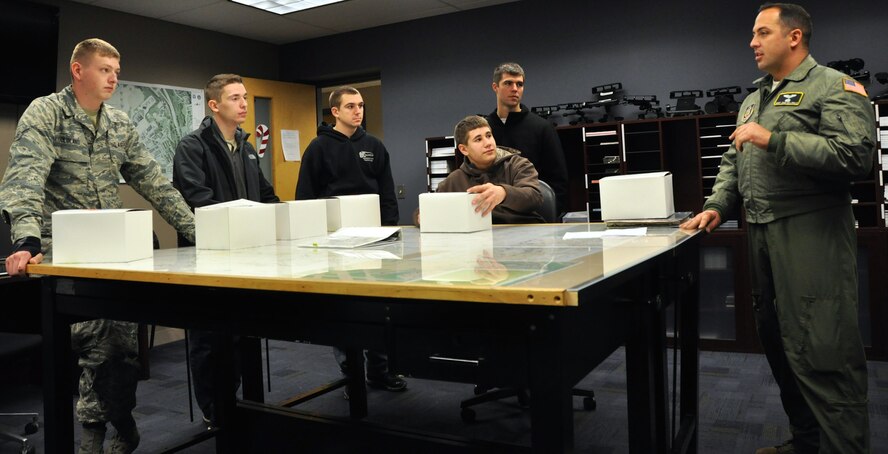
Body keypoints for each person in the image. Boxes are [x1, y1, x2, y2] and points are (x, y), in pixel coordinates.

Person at [681, 4, 873, 453]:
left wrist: (776, 139)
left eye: (762, 32)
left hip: (812, 233)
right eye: (753, 33)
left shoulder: (833, 86)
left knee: (824, 349)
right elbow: (734, 161)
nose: (752, 41)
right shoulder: (754, 99)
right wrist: (716, 206)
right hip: (761, 233)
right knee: (781, 344)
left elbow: (855, 157)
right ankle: (807, 443)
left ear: (794, 37)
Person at [0, 38, 196, 453]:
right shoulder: (47, 113)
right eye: (105, 69)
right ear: (78, 70)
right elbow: (25, 178)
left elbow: (154, 182)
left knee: (122, 347)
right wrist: (26, 238)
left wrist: (197, 229)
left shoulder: (119, 124)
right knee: (98, 338)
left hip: (112, 249)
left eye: (116, 70)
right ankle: (94, 433)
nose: (114, 77)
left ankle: (121, 420)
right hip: (62, 250)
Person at [172, 73, 280, 427]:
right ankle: (213, 406)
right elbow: (197, 199)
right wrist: (244, 220)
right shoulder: (193, 146)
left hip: (246, 254)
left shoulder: (247, 148)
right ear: (214, 105)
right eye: (235, 98)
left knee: (239, 333)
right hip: (209, 256)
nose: (244, 104)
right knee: (209, 337)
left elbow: (264, 194)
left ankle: (237, 399)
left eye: (245, 97)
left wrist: (284, 216)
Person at [295, 86, 406, 393]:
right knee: (344, 310)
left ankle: (380, 370)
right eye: (351, 106)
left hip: (374, 240)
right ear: (335, 112)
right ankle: (351, 372)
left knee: (378, 307)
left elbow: (387, 191)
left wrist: (390, 229)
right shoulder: (318, 147)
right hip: (336, 243)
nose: (358, 111)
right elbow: (305, 197)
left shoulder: (374, 145)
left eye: (361, 106)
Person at [417, 115, 544, 225]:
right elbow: (425, 209)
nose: (488, 143)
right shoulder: (455, 180)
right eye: (478, 139)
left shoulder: (518, 164)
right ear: (464, 149)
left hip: (523, 233)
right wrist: (421, 217)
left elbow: (534, 197)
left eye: (489, 136)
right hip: (478, 241)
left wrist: (503, 193)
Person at [485, 62, 569, 215]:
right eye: (508, 83)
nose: (515, 89)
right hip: (491, 214)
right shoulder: (485, 130)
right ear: (495, 87)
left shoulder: (542, 127)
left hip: (532, 215)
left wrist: (550, 215)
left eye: (519, 84)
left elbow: (558, 180)